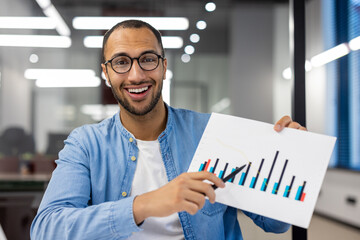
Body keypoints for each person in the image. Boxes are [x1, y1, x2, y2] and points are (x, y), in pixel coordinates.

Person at [30, 20, 306, 240]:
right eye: (121, 62)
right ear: (106, 72)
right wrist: (145, 205)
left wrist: (290, 159)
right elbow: (46, 230)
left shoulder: (213, 132)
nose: (136, 75)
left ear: (163, 66)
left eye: (147, 59)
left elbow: (276, 224)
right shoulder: (86, 144)